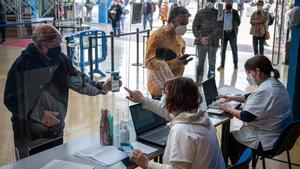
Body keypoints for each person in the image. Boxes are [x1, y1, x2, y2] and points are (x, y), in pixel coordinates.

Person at [3, 24, 122, 159]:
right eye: (55, 41)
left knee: (55, 162)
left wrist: (101, 87)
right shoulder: (23, 64)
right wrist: (40, 115)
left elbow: (79, 81)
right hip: (28, 132)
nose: (59, 45)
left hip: (55, 129)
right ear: (41, 44)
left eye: (59, 40)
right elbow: (10, 99)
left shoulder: (61, 60)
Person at [124, 77, 226, 169]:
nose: (163, 96)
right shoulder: (200, 115)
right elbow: (167, 112)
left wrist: (147, 163)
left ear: (175, 99)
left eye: (165, 93)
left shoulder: (182, 130)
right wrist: (143, 100)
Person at [218, 55, 293, 164]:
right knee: (234, 137)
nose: (248, 76)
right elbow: (251, 96)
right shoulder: (275, 84)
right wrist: (231, 98)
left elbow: (246, 116)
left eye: (248, 72)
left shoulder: (265, 90)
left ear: (257, 71)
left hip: (266, 140)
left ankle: (241, 166)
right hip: (280, 137)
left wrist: (229, 109)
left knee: (228, 139)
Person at [145, 6, 192, 100]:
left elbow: (179, 56)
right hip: (160, 89)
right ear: (173, 22)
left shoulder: (179, 38)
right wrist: (175, 63)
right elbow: (149, 62)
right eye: (182, 24)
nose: (184, 27)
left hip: (175, 88)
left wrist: (182, 61)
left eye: (186, 24)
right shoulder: (157, 37)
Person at [192, 0, 223, 85]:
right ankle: (199, 79)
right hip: (201, 42)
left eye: (212, 1)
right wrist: (201, 38)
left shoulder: (218, 14)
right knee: (201, 62)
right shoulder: (200, 13)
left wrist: (209, 38)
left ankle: (211, 81)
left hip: (213, 42)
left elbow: (220, 28)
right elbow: (195, 27)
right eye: (209, 0)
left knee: (212, 62)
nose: (210, 2)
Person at [217, 0, 240, 71]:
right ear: (225, 3)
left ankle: (235, 64)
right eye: (227, 2)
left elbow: (238, 22)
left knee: (234, 49)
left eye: (230, 2)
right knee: (223, 50)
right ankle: (222, 65)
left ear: (232, 3)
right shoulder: (222, 11)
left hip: (232, 33)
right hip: (224, 34)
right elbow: (218, 21)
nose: (228, 3)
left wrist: (234, 28)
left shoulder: (235, 12)